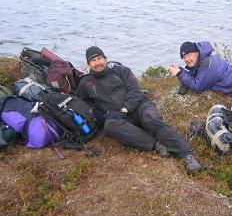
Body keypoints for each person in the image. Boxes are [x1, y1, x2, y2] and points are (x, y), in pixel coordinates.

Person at [78, 46, 202, 174]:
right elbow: (87, 105)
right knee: (109, 126)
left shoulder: (121, 71)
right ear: (88, 64)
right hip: (116, 117)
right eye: (93, 60)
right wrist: (103, 116)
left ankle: (187, 155)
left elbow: (135, 91)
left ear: (105, 59)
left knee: (151, 118)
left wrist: (125, 109)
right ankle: (157, 145)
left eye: (99, 58)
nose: (98, 63)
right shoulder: (85, 83)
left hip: (138, 106)